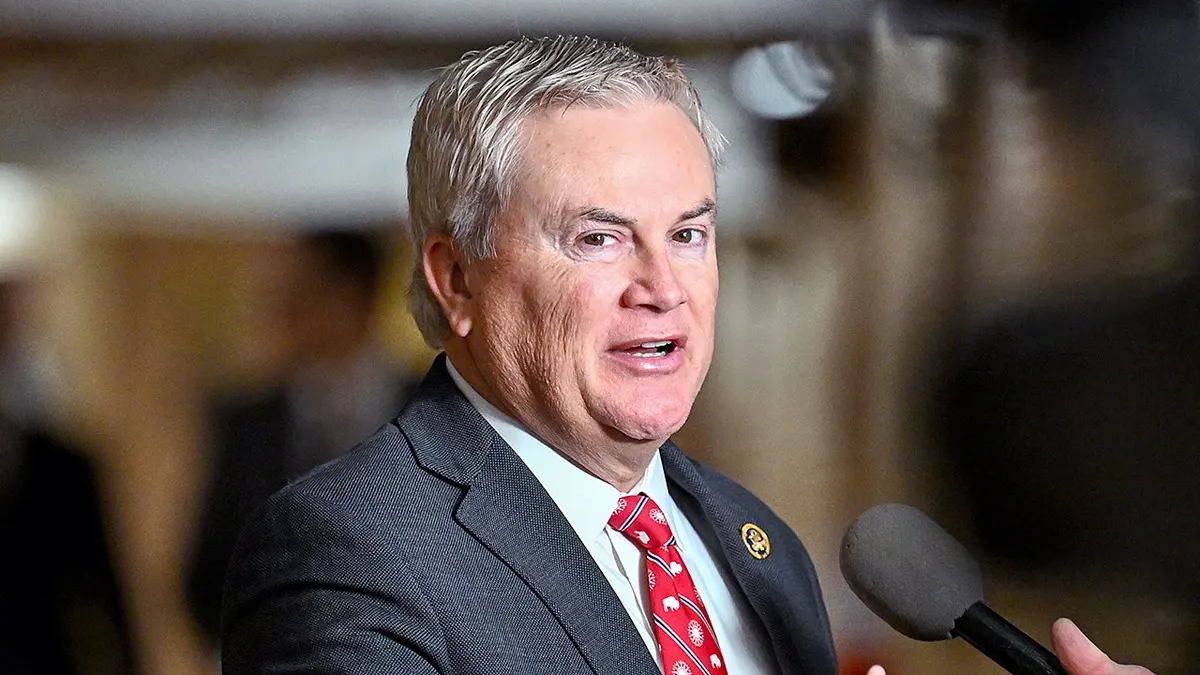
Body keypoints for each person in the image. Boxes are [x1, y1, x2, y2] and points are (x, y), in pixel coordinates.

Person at [220, 35, 1154, 675]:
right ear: (457, 280)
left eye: (690, 235)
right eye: (599, 238)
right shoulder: (348, 547)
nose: (662, 286)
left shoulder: (755, 539)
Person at [187, 229, 415, 647]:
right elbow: (205, 575)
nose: (283, 311)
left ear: (354, 295)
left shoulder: (431, 406)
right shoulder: (248, 423)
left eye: (303, 293)